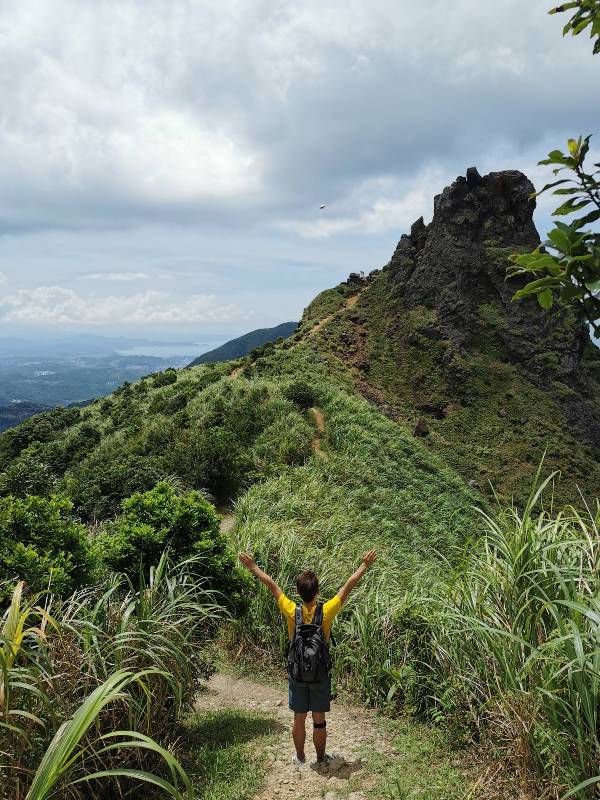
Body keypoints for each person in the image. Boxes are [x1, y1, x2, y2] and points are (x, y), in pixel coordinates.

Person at [238, 548, 377, 767]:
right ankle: (321, 758)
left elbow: (272, 586)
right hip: (319, 673)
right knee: (319, 720)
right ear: (318, 590)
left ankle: (300, 757)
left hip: (297, 673)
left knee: (299, 718)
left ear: (297, 591)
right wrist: (364, 565)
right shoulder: (327, 611)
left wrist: (252, 566)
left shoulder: (292, 611)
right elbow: (346, 588)